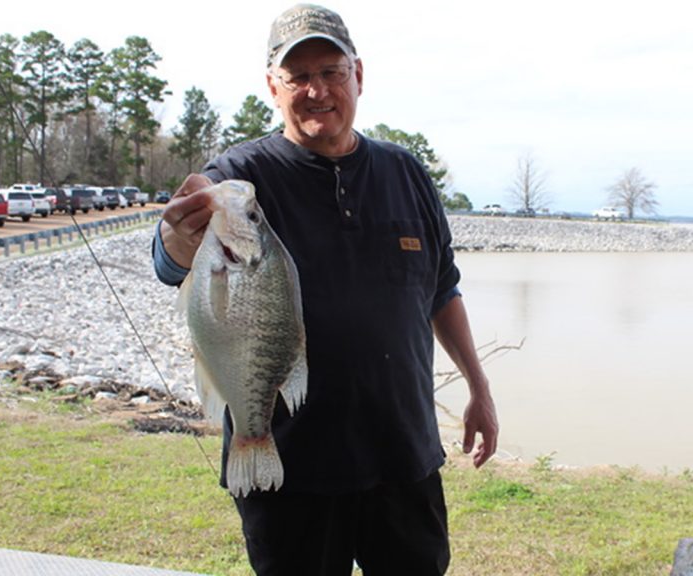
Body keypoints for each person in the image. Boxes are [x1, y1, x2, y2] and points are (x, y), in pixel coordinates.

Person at [153, 4, 499, 575]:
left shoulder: (407, 172)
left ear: (358, 75)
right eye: (298, 76)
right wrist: (178, 238)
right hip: (292, 470)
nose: (317, 90)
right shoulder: (240, 176)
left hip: (403, 454)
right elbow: (169, 262)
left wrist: (479, 388)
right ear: (273, 86)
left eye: (331, 72)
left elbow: (442, 288)